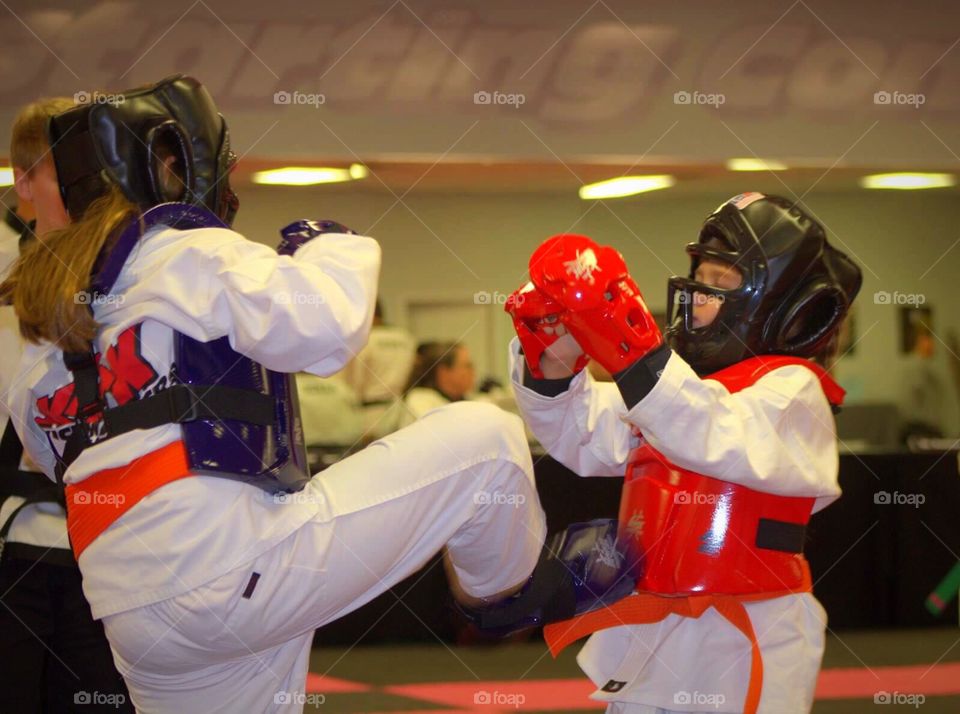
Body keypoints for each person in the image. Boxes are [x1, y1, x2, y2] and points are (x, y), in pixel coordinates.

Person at [0, 75, 546, 713]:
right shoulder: (182, 249)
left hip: (131, 611)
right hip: (229, 570)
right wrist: (330, 248)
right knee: (488, 441)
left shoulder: (37, 328)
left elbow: (44, 449)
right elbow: (328, 330)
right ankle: (515, 602)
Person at [504, 192, 861, 714]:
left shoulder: (793, 392)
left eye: (721, 283)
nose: (697, 296)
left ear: (784, 306)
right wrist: (551, 359)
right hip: (655, 626)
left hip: (745, 633)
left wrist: (630, 348)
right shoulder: (682, 394)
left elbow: (710, 431)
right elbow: (584, 435)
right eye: (700, 276)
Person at [0, 98, 131, 713]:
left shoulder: (139, 272)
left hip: (112, 553)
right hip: (16, 548)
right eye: (65, 170)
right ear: (23, 181)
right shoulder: (9, 287)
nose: (87, 186)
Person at [340, 300, 416, 440]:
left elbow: (354, 381)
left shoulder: (365, 340)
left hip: (371, 414)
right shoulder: (405, 338)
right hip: (402, 411)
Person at [397, 341, 477, 427]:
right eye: (467, 366)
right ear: (444, 372)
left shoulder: (467, 399)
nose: (473, 371)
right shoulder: (420, 401)